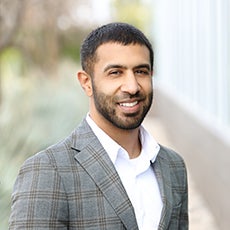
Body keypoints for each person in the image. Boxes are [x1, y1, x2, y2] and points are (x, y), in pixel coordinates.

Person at [9, 22, 188, 229]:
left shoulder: (173, 166)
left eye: (140, 71)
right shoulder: (47, 171)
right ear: (86, 82)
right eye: (115, 73)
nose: (132, 86)